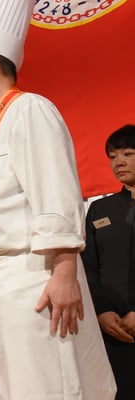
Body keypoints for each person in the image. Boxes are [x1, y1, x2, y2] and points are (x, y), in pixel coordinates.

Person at [0, 0, 116, 398]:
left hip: (33, 278)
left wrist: (64, 273)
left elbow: (55, 193)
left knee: (44, 386)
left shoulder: (30, 109)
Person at [81, 124, 135, 400]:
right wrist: (101, 311)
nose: (119, 162)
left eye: (128, 154)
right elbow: (88, 265)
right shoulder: (100, 209)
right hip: (111, 328)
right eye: (113, 156)